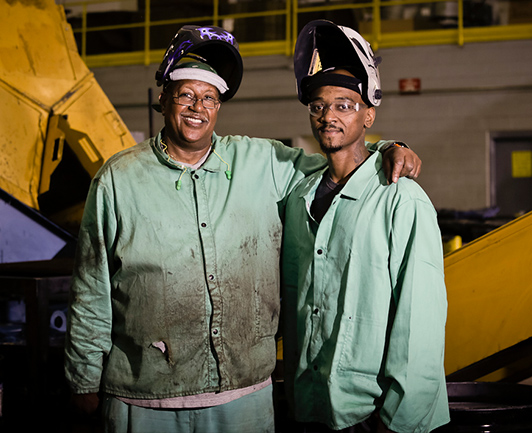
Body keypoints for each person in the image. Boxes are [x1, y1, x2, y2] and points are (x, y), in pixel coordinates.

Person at [64, 24, 422, 433]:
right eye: (185, 94)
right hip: (144, 398)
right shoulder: (118, 180)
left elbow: (339, 159)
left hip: (244, 397)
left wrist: (389, 148)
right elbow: (91, 287)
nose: (197, 107)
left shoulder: (263, 162)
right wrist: (83, 379)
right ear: (163, 98)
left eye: (210, 98)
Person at [281, 20, 449, 433]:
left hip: (374, 415)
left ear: (369, 115)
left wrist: (402, 421)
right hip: (308, 405)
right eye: (319, 106)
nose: (328, 116)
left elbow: (419, 322)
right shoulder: (297, 195)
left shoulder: (400, 199)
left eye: (344, 105)